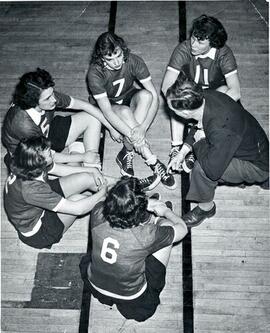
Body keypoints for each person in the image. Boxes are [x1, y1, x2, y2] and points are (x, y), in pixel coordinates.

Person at [166, 72, 269, 228]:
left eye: (173, 110)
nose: (171, 112)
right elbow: (199, 125)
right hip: (253, 145)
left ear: (185, 113)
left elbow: (212, 171)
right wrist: (182, 153)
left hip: (257, 165)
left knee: (201, 170)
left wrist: (200, 142)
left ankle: (206, 209)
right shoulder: (205, 97)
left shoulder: (221, 127)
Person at [80, 177, 187, 322]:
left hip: (96, 285)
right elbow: (182, 229)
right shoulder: (146, 236)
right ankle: (152, 220)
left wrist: (138, 203)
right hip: (133, 299)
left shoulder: (97, 212)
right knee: (166, 228)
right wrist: (164, 211)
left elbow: (106, 197)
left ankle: (144, 217)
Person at [87, 31, 176, 190]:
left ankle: (126, 152)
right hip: (106, 105)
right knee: (126, 113)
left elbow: (155, 96)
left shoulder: (134, 60)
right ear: (101, 58)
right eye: (110, 59)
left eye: (119, 55)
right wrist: (111, 127)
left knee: (146, 96)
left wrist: (142, 129)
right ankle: (152, 160)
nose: (116, 62)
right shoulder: (95, 73)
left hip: (127, 96)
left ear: (122, 49)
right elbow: (106, 111)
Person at [2, 68, 121, 170]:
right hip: (31, 160)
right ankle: (81, 157)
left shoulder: (44, 93)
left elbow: (85, 105)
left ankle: (92, 166)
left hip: (46, 135)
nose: (54, 99)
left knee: (92, 117)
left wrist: (111, 127)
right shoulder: (23, 125)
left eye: (52, 94)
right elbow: (47, 156)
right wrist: (83, 157)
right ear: (33, 102)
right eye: (48, 98)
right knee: (75, 181)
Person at [161, 14, 241, 167]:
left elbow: (236, 91)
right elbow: (166, 86)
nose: (193, 44)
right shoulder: (184, 49)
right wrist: (182, 102)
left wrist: (208, 113)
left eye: (200, 41)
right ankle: (176, 146)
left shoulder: (223, 53)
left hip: (213, 97)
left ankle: (200, 142)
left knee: (225, 91)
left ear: (213, 42)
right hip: (191, 95)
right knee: (175, 94)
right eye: (193, 37)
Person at [3, 136, 108, 249]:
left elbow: (61, 170)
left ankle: (122, 184)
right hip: (39, 232)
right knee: (78, 199)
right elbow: (78, 209)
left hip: (37, 203)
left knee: (85, 178)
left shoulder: (26, 164)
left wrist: (92, 170)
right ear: (39, 161)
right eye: (48, 153)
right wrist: (101, 192)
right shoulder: (31, 189)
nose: (52, 153)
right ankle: (118, 205)